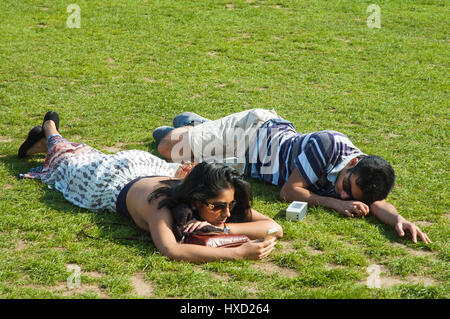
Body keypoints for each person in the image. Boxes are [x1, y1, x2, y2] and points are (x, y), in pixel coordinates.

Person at [17, 111, 282, 263]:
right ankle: (50, 131)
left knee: (87, 155)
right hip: (110, 180)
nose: (227, 212)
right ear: (196, 199)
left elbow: (274, 227)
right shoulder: (162, 206)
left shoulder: (217, 196)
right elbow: (171, 250)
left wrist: (222, 227)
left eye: (231, 206)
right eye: (219, 208)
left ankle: (41, 141)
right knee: (69, 161)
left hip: (153, 168)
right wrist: (238, 253)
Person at [153, 109, 431, 244]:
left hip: (249, 166)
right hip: (251, 134)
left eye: (349, 196)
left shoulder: (365, 177)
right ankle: (196, 124)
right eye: (345, 186)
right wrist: (337, 204)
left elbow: (377, 203)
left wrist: (400, 220)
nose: (343, 194)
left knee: (191, 158)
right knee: (167, 145)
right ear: (353, 163)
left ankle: (201, 129)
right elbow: (290, 190)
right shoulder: (327, 144)